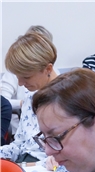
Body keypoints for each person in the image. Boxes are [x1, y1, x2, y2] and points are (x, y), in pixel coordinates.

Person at [1, 32, 58, 163]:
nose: (20, 83)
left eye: (26, 77)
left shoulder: (69, 99)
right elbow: (19, 145)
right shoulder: (31, 97)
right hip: (26, 166)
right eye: (17, 77)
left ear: (48, 69)